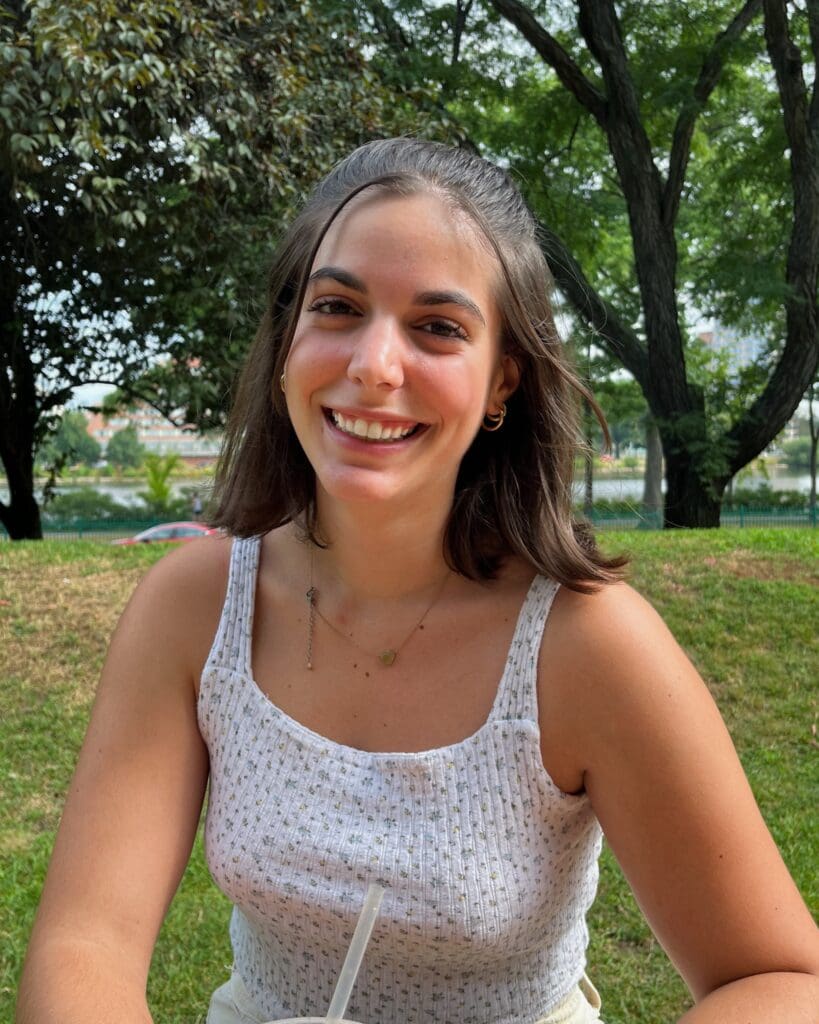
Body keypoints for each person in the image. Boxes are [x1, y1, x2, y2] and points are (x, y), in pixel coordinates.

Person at [17, 138, 818, 1024]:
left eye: (437, 327)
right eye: (336, 307)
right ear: (287, 341)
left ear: (501, 381)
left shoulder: (585, 643)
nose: (373, 365)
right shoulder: (195, 608)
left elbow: (781, 978)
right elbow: (84, 944)